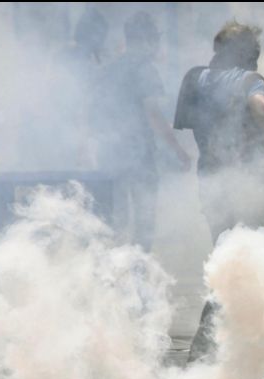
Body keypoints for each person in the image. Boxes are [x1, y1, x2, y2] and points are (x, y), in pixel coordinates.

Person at [174, 20, 264, 363]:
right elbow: (260, 105)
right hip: (244, 183)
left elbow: (192, 123)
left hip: (211, 181)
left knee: (228, 255)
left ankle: (235, 341)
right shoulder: (249, 80)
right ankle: (211, 344)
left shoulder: (194, 78)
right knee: (243, 260)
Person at [92, 11, 191, 251]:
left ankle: (115, 273)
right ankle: (138, 273)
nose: (157, 45)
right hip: (138, 156)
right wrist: (178, 149)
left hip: (109, 154)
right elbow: (153, 114)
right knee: (144, 222)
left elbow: (92, 111)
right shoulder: (144, 69)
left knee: (116, 222)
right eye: (155, 39)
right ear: (147, 39)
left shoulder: (108, 69)